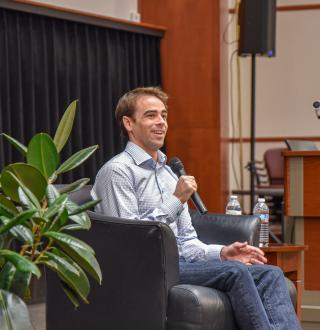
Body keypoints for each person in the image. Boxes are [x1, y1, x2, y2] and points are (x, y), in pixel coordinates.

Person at [91, 87, 301, 329]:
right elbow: (132, 241)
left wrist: (222, 253)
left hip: (181, 264)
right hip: (145, 267)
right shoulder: (117, 171)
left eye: (164, 115)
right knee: (235, 272)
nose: (161, 122)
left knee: (270, 273)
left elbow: (187, 241)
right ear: (129, 123)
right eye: (151, 115)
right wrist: (176, 199)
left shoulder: (169, 172)